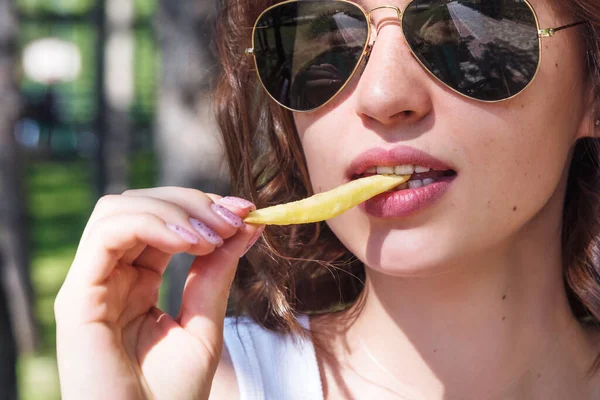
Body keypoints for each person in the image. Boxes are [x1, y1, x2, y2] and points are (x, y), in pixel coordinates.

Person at [55, 0, 600, 398]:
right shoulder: (201, 387)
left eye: (465, 33)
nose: (384, 97)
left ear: (591, 88)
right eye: (328, 42)